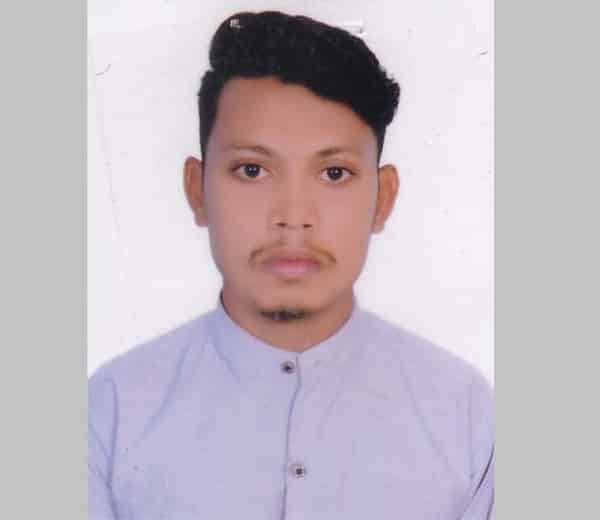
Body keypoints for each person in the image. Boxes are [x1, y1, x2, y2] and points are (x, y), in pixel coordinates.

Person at [88, 10, 494, 520]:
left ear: (383, 198)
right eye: (252, 170)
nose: (293, 217)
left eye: (334, 173)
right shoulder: (110, 411)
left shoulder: (466, 414)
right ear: (197, 190)